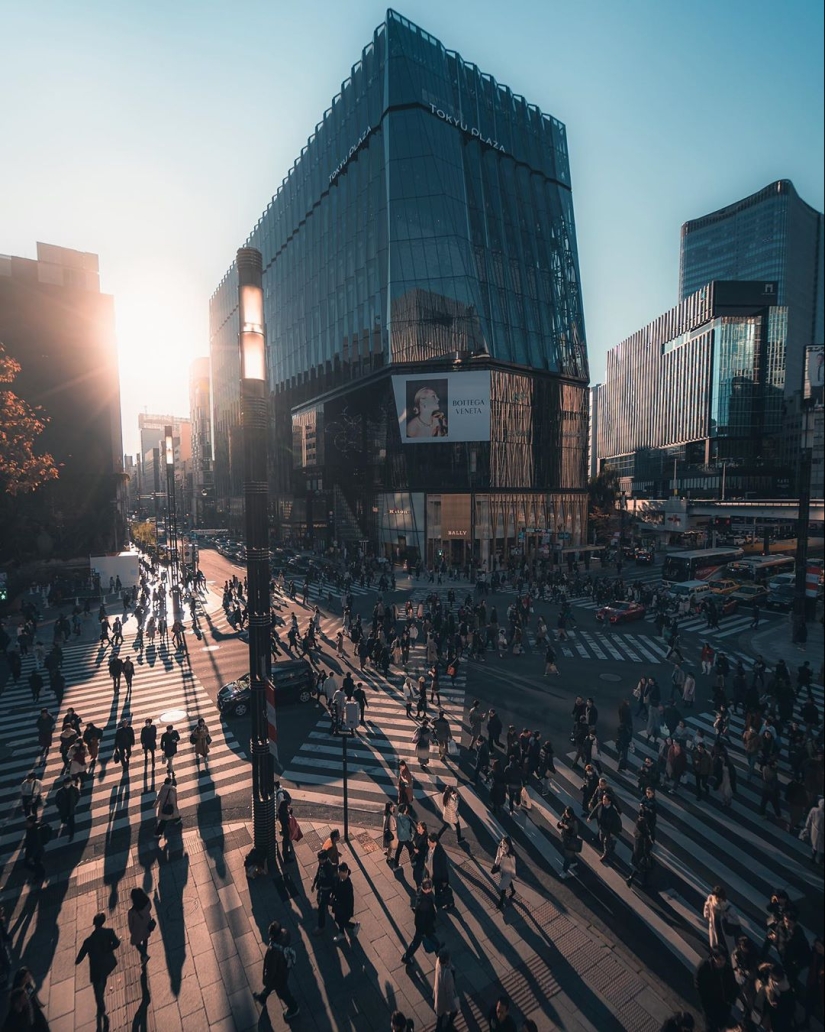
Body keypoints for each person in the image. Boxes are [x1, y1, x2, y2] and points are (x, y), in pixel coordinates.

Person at [75, 912, 120, 1032]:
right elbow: (117, 943)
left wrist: (77, 961)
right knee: (103, 982)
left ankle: (102, 1011)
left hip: (96, 970)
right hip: (106, 966)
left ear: (94, 924)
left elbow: (80, 957)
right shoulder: (109, 932)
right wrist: (108, 950)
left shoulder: (88, 941)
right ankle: (101, 1006)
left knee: (97, 992)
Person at [253, 920, 300, 1020]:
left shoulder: (273, 952)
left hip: (279, 975)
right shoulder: (285, 934)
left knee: (282, 992)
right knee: (273, 985)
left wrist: (266, 979)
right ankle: (262, 997)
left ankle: (294, 1008)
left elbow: (271, 971)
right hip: (284, 969)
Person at [693, 948, 737, 1032]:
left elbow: (733, 986)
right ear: (714, 958)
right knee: (710, 1025)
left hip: (723, 1003)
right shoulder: (705, 966)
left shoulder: (727, 969)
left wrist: (731, 1000)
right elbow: (697, 981)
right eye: (719, 959)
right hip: (709, 1002)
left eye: (724, 959)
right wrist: (704, 996)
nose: (722, 962)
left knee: (721, 1024)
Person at [401, 878, 440, 964]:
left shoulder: (421, 894)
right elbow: (422, 918)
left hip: (425, 925)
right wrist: (422, 930)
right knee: (417, 942)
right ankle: (406, 957)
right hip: (423, 927)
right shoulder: (424, 903)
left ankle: (438, 948)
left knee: (429, 936)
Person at [703, 886, 740, 958]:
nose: (717, 899)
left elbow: (736, 921)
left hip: (725, 929)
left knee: (726, 945)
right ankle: (715, 956)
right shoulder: (711, 900)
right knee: (715, 944)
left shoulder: (728, 907)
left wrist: (727, 918)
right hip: (714, 927)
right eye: (716, 896)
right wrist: (707, 914)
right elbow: (706, 906)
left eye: (719, 897)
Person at [330, 863, 360, 944]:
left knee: (342, 921)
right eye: (339, 871)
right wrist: (333, 895)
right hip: (338, 905)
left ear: (346, 872)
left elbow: (350, 900)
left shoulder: (348, 885)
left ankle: (354, 926)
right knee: (337, 919)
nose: (339, 873)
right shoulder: (339, 878)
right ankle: (342, 933)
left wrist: (349, 912)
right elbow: (335, 888)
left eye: (341, 872)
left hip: (344, 908)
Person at [311, 849, 336, 934]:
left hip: (326, 889)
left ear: (324, 859)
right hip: (322, 887)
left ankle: (321, 927)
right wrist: (314, 883)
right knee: (323, 901)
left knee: (321, 907)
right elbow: (318, 873)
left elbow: (332, 881)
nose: (318, 861)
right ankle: (335, 904)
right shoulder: (322, 864)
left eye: (320, 859)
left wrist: (333, 894)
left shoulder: (328, 868)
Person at [434, 947, 458, 1030]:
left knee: (440, 1015)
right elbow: (449, 993)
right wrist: (453, 1007)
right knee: (454, 1012)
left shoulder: (438, 961)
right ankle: (447, 1026)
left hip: (438, 993)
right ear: (447, 960)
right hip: (443, 997)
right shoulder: (447, 975)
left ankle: (439, 1028)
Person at [127, 887, 154, 964]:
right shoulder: (147, 902)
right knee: (145, 939)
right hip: (146, 924)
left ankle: (144, 955)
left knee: (137, 943)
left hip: (137, 929)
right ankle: (144, 956)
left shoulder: (131, 912)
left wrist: (132, 931)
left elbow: (130, 924)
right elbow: (150, 907)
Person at [557, 806, 581, 879]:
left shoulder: (574, 821)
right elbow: (559, 824)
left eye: (567, 813)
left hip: (570, 840)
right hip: (565, 838)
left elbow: (575, 832)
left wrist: (568, 828)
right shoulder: (564, 816)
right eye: (565, 812)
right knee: (566, 852)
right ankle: (573, 862)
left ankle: (564, 872)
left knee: (567, 857)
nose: (565, 814)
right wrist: (560, 824)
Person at [494, 836, 517, 908]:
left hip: (508, 871)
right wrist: (496, 864)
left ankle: (500, 903)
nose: (503, 843)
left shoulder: (511, 854)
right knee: (507, 882)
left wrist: (513, 874)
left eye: (504, 842)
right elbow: (498, 855)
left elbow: (513, 865)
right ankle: (513, 890)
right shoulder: (501, 846)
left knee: (503, 887)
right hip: (502, 869)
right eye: (502, 842)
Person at [392, 804, 414, 869]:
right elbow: (407, 831)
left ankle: (395, 865)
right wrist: (410, 838)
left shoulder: (399, 815)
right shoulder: (406, 821)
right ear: (405, 810)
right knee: (410, 849)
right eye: (406, 808)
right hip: (405, 838)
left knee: (398, 851)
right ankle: (412, 861)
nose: (407, 809)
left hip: (400, 837)